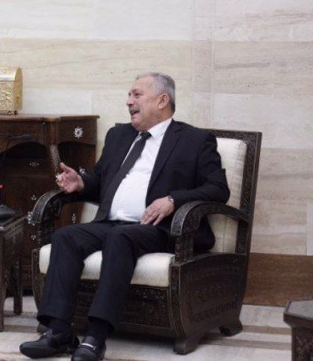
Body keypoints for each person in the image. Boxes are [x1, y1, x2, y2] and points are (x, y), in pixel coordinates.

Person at [19, 72, 230, 361]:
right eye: (129, 95)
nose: (128, 101)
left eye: (136, 95)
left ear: (162, 100)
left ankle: (95, 337)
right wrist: (81, 184)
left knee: (121, 237)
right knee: (66, 236)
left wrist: (173, 200)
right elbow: (101, 182)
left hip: (162, 228)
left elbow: (218, 189)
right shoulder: (118, 136)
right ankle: (58, 332)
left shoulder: (194, 140)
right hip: (111, 224)